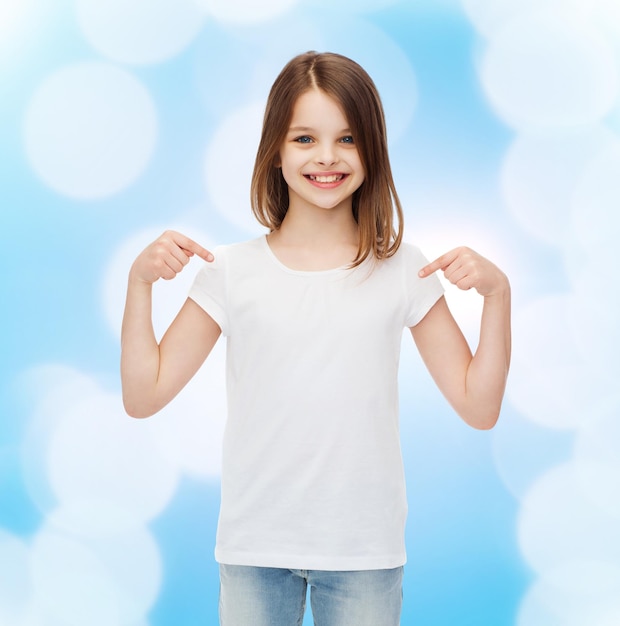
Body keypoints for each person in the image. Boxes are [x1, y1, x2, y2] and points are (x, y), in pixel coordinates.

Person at [121, 51, 511, 626]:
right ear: (275, 151)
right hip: (256, 545)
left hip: (364, 551)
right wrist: (140, 284)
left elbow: (479, 407)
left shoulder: (403, 269)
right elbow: (143, 395)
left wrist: (498, 295)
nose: (326, 157)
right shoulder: (229, 271)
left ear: (371, 151)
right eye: (305, 138)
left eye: (347, 139)